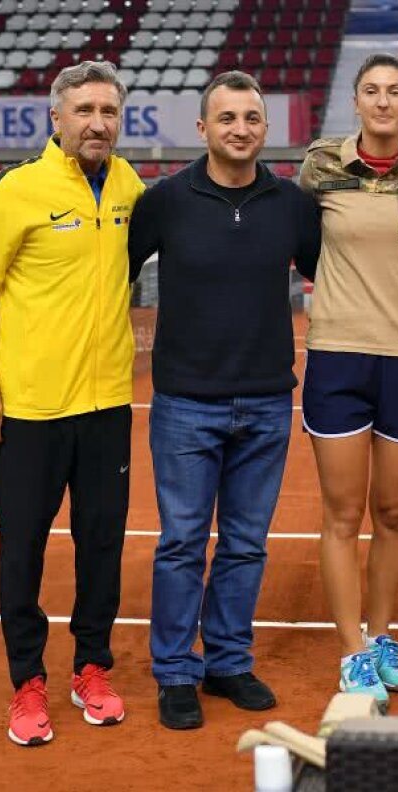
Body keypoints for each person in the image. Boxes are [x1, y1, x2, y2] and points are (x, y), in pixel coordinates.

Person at [0, 60, 145, 746]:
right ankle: (27, 682)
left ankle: (92, 667)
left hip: (106, 408)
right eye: (86, 110)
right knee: (23, 550)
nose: (99, 123)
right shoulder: (16, 189)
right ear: (56, 118)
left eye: (109, 112)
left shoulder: (128, 184)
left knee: (101, 545)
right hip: (30, 411)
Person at [127, 71, 321, 730]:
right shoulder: (166, 201)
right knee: (182, 542)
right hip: (185, 403)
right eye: (227, 118)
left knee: (244, 544)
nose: (240, 129)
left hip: (266, 402)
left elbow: (328, 275)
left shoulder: (293, 205)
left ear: (265, 129)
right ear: (203, 128)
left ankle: (229, 662)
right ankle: (176, 670)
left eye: (252, 118)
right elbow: (111, 274)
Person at [297, 54, 398, 712]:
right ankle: (352, 650)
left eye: (395, 92)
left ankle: (382, 637)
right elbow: (306, 245)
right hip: (336, 356)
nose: (383, 101)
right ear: (356, 102)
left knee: (392, 512)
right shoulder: (320, 167)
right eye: (371, 91)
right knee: (341, 513)